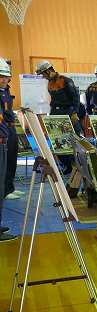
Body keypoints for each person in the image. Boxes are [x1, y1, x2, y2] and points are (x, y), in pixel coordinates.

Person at [36, 60, 81, 173]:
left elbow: (76, 98)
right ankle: (67, 165)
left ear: (48, 70)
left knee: (73, 139)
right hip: (56, 114)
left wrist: (75, 113)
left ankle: (77, 164)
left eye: (43, 74)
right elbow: (54, 101)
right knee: (57, 141)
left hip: (68, 114)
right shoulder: (50, 84)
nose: (43, 77)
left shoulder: (65, 81)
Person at [0, 58, 17, 241]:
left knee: (2, 183)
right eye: (1, 76)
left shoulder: (4, 92)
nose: (4, 80)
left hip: (4, 140)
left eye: (6, 77)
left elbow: (7, 115)